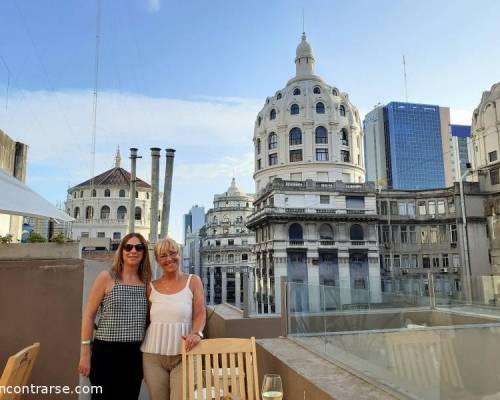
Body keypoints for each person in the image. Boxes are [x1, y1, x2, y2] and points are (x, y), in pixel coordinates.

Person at [78, 233, 151, 400]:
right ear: (122, 251)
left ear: (144, 253)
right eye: (128, 247)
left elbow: (149, 319)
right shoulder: (107, 277)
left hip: (134, 354)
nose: (133, 251)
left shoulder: (146, 283)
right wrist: (85, 353)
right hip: (105, 353)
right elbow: (89, 315)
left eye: (139, 247)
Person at [141, 237, 206, 400]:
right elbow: (147, 320)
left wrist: (197, 333)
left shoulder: (193, 281)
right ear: (157, 260)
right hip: (153, 357)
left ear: (179, 254)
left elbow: (200, 312)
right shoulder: (151, 287)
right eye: (163, 256)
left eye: (172, 253)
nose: (169, 259)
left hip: (185, 354)